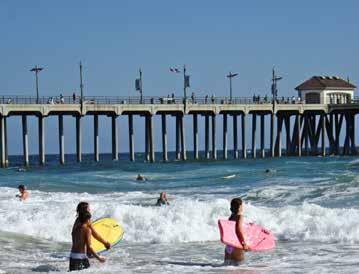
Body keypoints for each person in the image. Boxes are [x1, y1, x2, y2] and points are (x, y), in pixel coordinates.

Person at [224, 198, 249, 265]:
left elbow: (232, 229)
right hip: (236, 244)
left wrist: (247, 225)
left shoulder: (231, 216)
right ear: (240, 206)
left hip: (229, 245)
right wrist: (244, 243)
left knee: (227, 267)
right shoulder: (239, 216)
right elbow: (238, 229)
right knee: (239, 268)